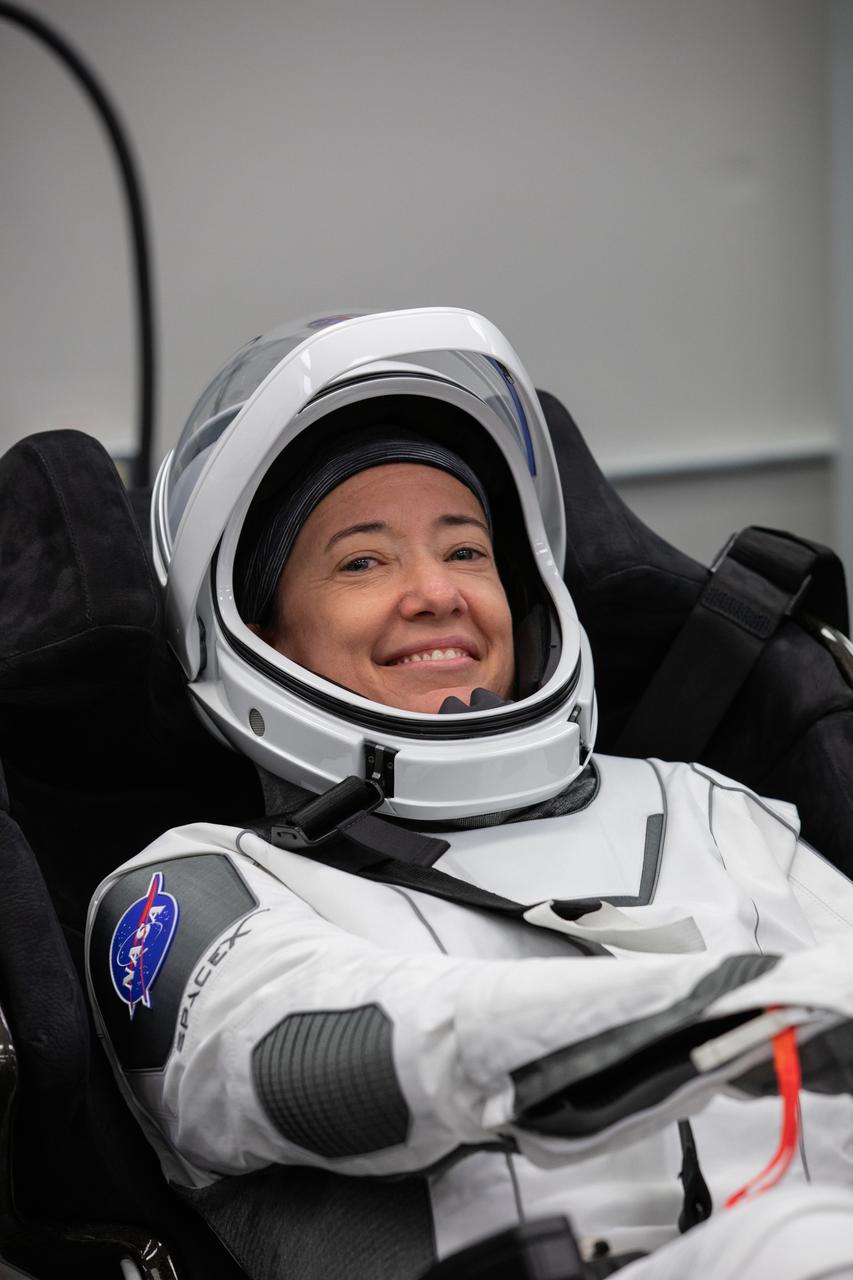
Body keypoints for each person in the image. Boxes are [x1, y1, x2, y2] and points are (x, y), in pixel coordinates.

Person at [86, 309, 853, 1280]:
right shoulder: (191, 885)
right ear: (262, 629)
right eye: (363, 559)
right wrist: (736, 1005)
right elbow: (328, 1057)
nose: (435, 590)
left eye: (465, 549)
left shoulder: (701, 803)